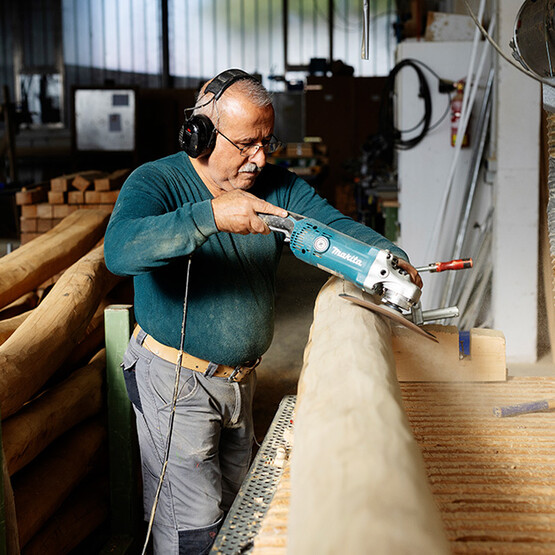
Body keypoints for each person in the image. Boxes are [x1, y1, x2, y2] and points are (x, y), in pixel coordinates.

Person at [104, 68, 422, 554]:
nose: (258, 158)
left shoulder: (275, 187)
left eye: (267, 143)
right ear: (201, 134)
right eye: (246, 144)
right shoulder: (156, 182)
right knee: (193, 528)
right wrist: (209, 216)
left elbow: (332, 227)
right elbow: (121, 251)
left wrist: (387, 257)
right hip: (175, 381)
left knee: (237, 514)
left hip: (238, 380)